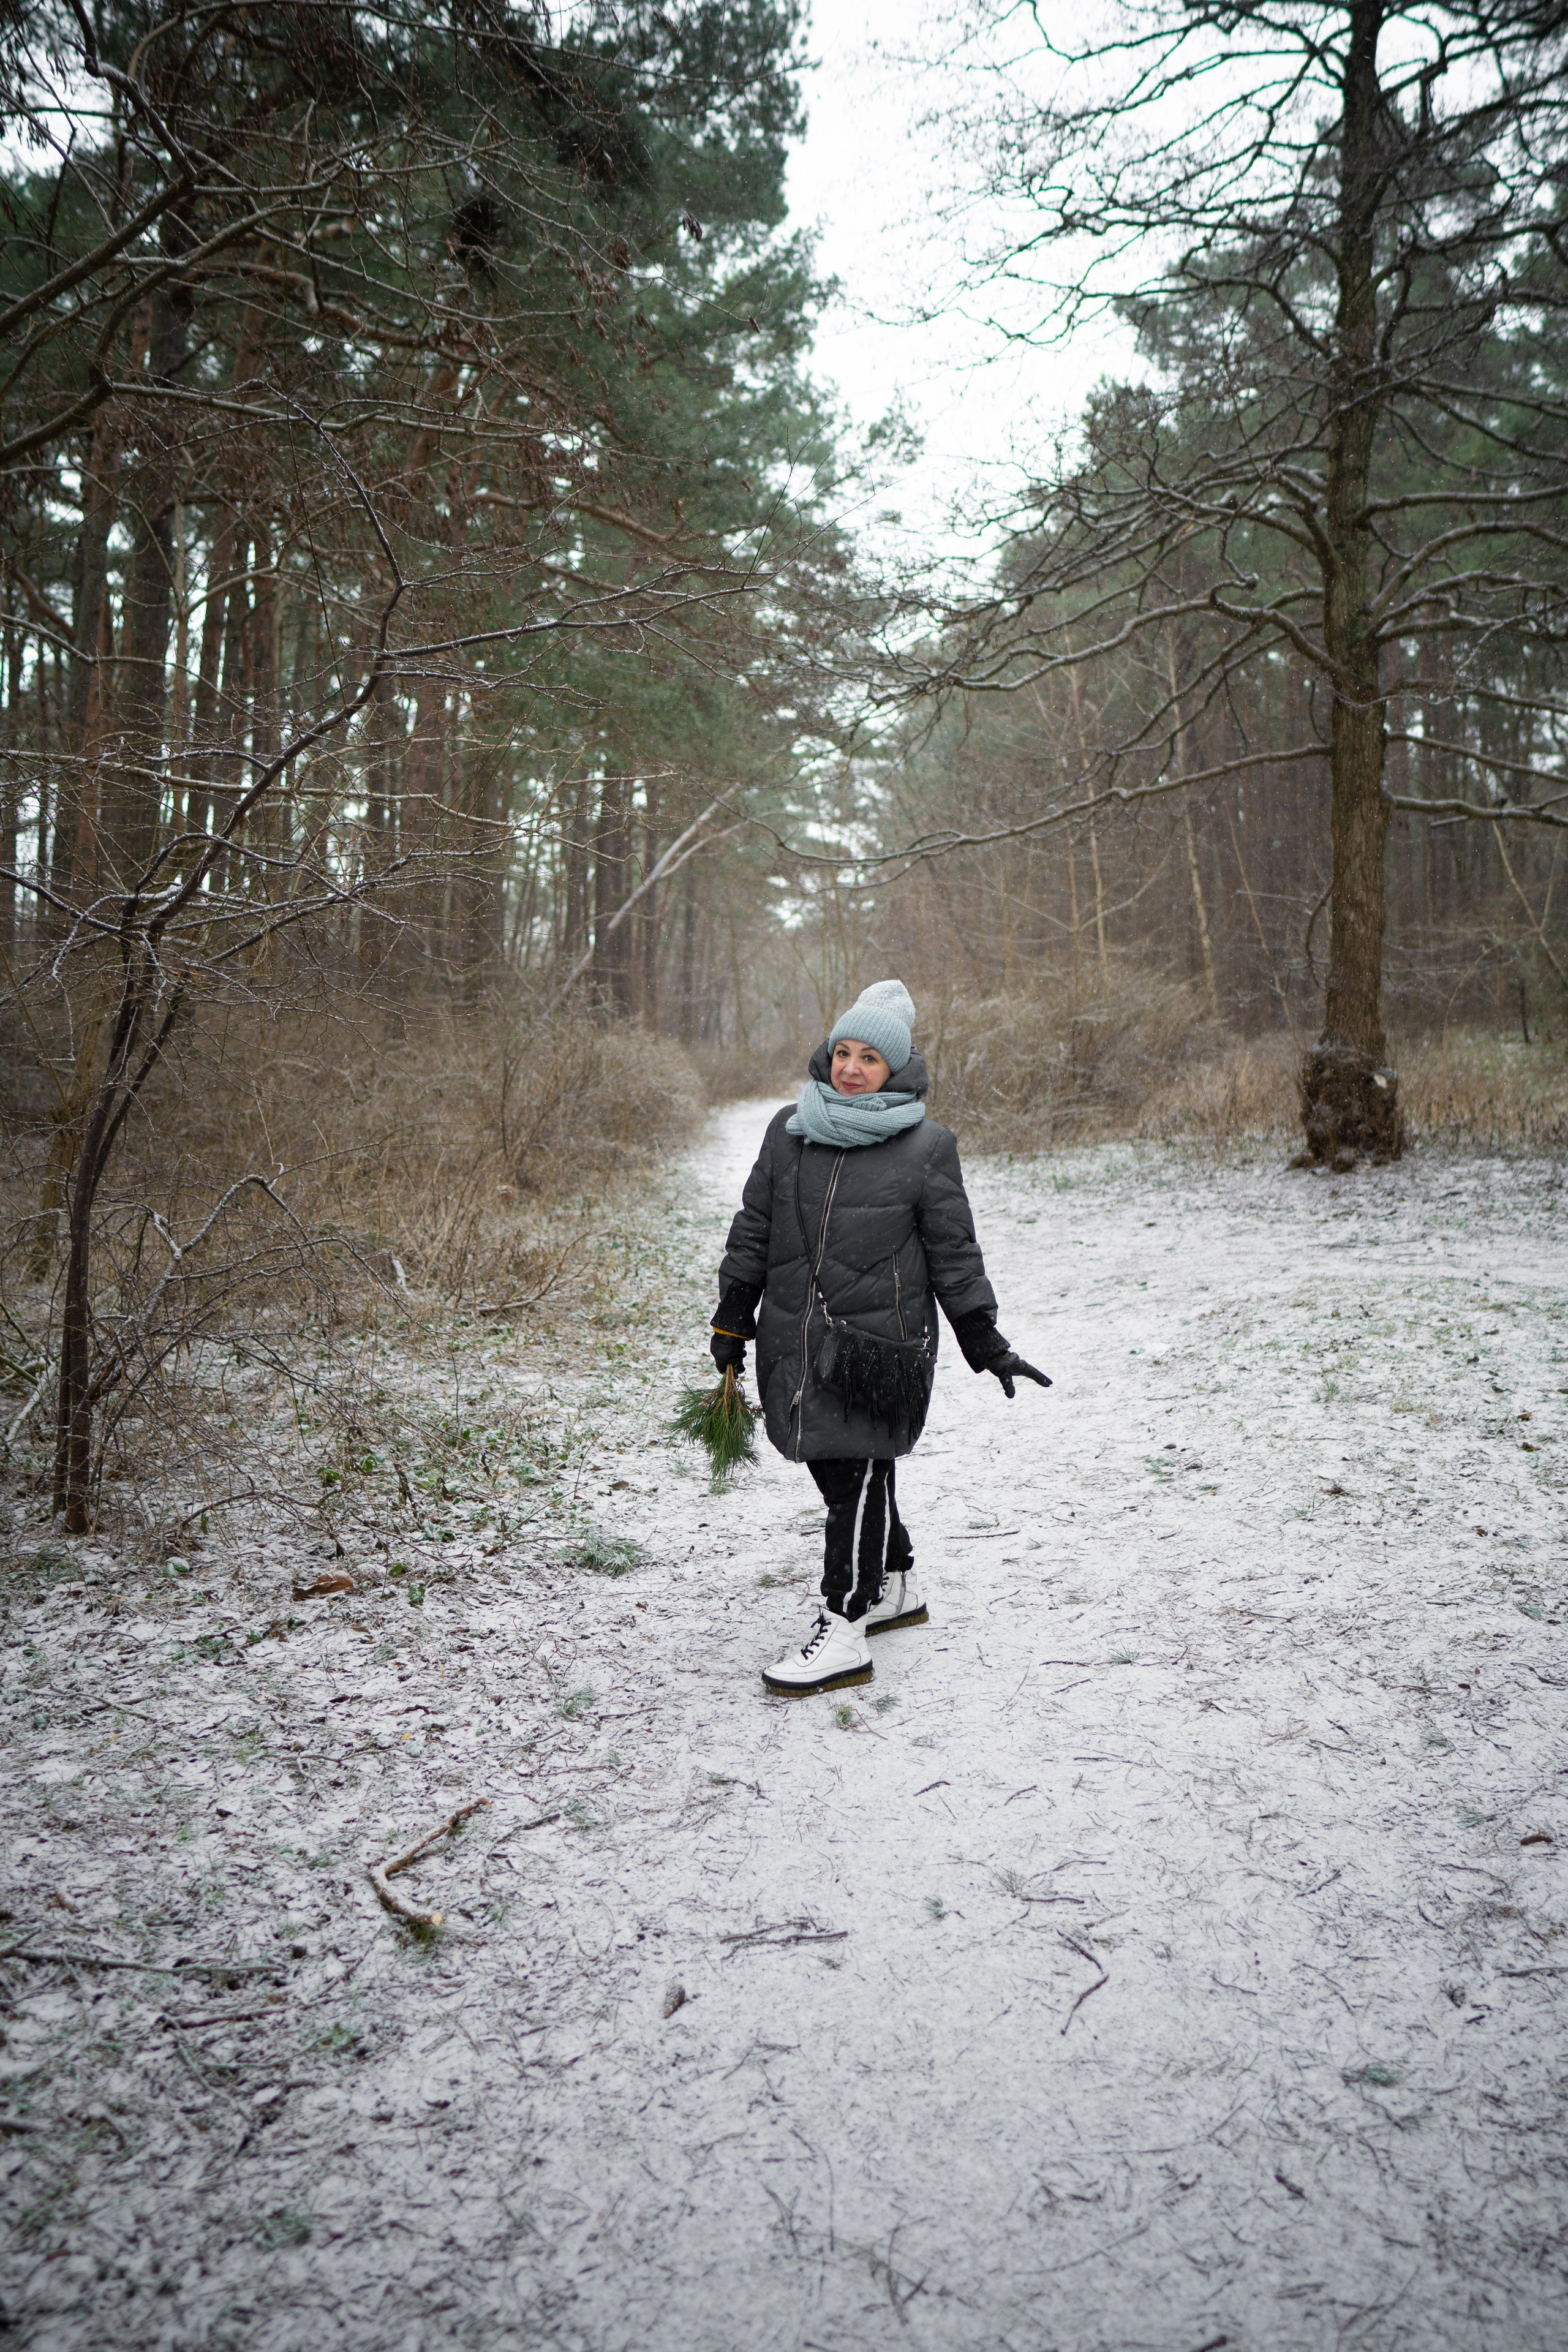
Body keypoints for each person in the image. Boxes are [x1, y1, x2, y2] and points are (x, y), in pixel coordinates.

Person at [709, 979, 1050, 1695]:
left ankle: (845, 1626)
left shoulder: (926, 1148)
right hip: (793, 1339)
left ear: (895, 1069)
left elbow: (954, 1254)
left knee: (853, 1474)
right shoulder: (787, 1130)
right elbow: (753, 1229)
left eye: (869, 1057)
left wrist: (984, 1340)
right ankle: (897, 1584)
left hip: (878, 1349)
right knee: (839, 1469)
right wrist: (732, 1317)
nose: (851, 1067)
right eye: (843, 1052)